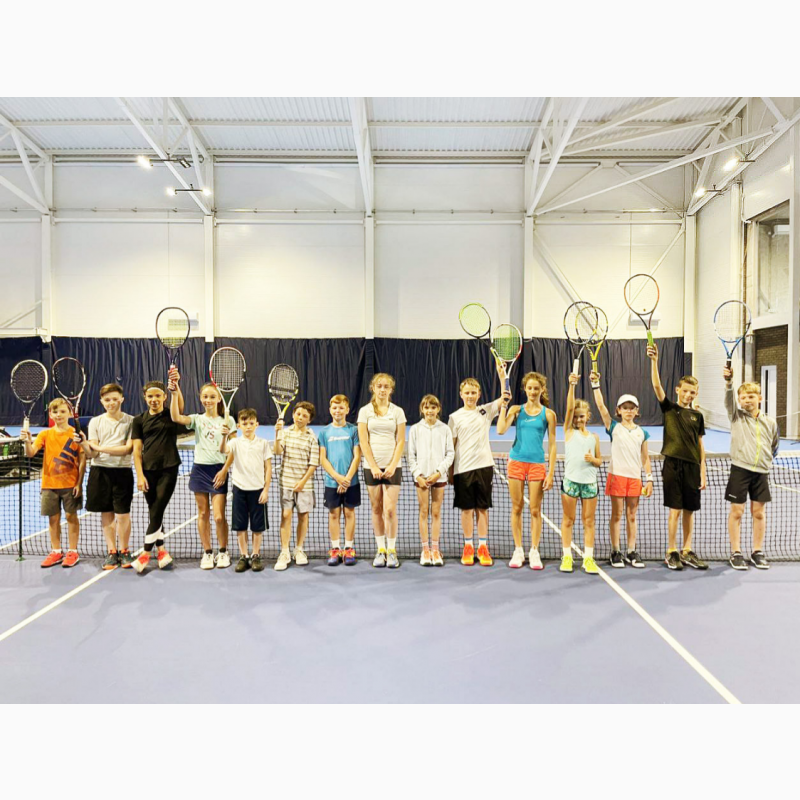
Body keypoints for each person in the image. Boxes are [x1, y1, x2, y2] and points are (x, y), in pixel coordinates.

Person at [647, 343, 707, 570]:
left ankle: (687, 550)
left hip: (692, 467)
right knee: (675, 510)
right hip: (672, 464)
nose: (688, 395)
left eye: (693, 392)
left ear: (696, 394)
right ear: (677, 390)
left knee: (689, 510)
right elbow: (656, 385)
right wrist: (654, 361)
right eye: (685, 391)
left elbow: (700, 445)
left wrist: (703, 472)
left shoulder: (697, 416)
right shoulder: (669, 409)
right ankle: (671, 551)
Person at [169, 368, 232, 570]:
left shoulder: (228, 420)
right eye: (205, 396)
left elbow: (233, 450)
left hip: (219, 469)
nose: (208, 400)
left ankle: (223, 551)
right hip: (200, 469)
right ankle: (207, 552)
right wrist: (175, 392)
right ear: (201, 398)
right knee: (203, 513)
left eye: (212, 396)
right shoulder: (197, 419)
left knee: (219, 516)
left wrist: (224, 470)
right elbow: (176, 417)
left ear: (219, 399)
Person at [591, 371, 653, 568]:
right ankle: (616, 551)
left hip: (635, 479)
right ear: (619, 410)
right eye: (625, 408)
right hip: (617, 477)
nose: (628, 411)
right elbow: (601, 407)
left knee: (632, 516)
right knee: (617, 515)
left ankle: (631, 551)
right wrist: (595, 384)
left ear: (636, 411)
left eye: (631, 408)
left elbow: (645, 457)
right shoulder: (613, 427)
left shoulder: (642, 432)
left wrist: (649, 479)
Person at [449, 362, 508, 567]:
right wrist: (450, 471)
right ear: (461, 394)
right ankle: (468, 546)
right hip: (462, 470)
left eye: (473, 392)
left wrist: (502, 376)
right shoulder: (454, 417)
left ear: (479, 394)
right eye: (467, 392)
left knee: (482, 508)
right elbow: (451, 446)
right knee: (466, 510)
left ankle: (483, 547)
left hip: (484, 467)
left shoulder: (486, 411)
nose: (470, 396)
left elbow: (505, 398)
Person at [496, 371, 556, 569]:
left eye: (536, 388)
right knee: (517, 507)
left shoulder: (549, 414)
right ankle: (518, 550)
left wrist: (551, 472)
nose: (532, 391)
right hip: (516, 462)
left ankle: (534, 550)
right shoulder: (516, 409)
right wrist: (504, 406)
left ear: (542, 389)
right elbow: (500, 430)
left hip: (537, 464)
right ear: (525, 389)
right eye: (529, 388)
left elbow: (553, 445)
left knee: (535, 509)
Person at [723, 367, 780, 570]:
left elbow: (774, 445)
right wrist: (729, 383)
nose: (747, 400)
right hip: (740, 470)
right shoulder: (736, 416)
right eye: (743, 397)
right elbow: (728, 400)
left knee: (759, 513)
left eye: (751, 396)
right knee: (737, 511)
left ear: (760, 399)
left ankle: (757, 552)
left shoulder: (770, 422)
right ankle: (736, 552)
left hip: (761, 472)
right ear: (739, 400)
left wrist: (765, 460)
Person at [76, 383, 135, 570]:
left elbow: (127, 449)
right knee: (106, 513)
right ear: (102, 401)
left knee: (123, 514)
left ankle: (124, 551)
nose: (111, 403)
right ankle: (111, 552)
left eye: (115, 399)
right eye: (107, 400)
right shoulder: (95, 422)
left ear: (122, 399)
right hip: (100, 471)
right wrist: (84, 444)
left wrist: (100, 447)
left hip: (122, 472)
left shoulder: (132, 421)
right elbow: (92, 454)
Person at [130, 380, 186, 573]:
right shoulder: (138, 421)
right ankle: (161, 551)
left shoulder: (171, 415)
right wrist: (140, 475)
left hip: (169, 469)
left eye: (157, 396)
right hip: (148, 471)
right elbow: (137, 450)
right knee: (155, 510)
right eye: (150, 396)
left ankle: (145, 553)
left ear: (164, 397)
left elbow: (180, 407)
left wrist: (176, 387)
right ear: (145, 398)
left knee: (157, 509)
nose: (154, 399)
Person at [22, 398, 85, 568]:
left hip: (70, 484)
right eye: (55, 412)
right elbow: (30, 453)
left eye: (62, 411)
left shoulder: (76, 434)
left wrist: (79, 483)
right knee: (53, 518)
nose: (59, 415)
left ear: (69, 413)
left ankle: (73, 551)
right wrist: (27, 441)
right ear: (50, 414)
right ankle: (56, 551)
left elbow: (82, 460)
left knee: (71, 517)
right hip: (49, 485)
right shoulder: (45, 434)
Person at [357, 374, 406, 569]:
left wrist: (392, 465)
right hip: (371, 467)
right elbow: (363, 441)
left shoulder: (398, 412)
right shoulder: (365, 412)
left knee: (390, 509)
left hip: (393, 467)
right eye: (379, 386)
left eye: (386, 386)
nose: (383, 390)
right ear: (373, 388)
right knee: (376, 508)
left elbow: (400, 440)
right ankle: (381, 549)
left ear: (391, 389)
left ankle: (392, 550)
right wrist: (374, 466)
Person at [220, 408, 273, 573]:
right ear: (239, 426)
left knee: (257, 527)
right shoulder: (235, 442)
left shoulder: (263, 443)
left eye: (251, 423)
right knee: (240, 526)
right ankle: (244, 556)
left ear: (257, 424)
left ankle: (255, 555)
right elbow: (223, 450)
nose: (248, 426)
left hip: (258, 490)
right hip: (239, 490)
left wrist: (266, 490)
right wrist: (224, 436)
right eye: (244, 423)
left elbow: (268, 468)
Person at [559, 373, 602, 574]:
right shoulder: (568, 432)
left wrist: (593, 460)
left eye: (581, 416)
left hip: (590, 484)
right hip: (571, 482)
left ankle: (588, 559)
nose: (577, 419)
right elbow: (569, 408)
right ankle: (567, 557)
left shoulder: (594, 437)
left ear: (588, 416)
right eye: (575, 416)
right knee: (568, 520)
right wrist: (571, 385)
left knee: (589, 521)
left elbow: (599, 461)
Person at [408, 394, 454, 566]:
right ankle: (425, 550)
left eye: (433, 407)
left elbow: (450, 454)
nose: (430, 411)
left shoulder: (445, 429)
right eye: (426, 407)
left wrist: (439, 472)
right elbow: (410, 455)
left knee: (436, 513)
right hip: (421, 479)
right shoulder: (415, 429)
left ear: (438, 409)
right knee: (423, 512)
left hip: (438, 477)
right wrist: (418, 475)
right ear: (422, 409)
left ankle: (435, 549)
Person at [273, 401, 319, 571]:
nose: (300, 417)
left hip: (305, 485)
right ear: (293, 415)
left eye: (304, 416)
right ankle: (284, 551)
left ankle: (299, 549)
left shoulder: (312, 437)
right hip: (286, 482)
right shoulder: (285, 433)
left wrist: (303, 482)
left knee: (303, 516)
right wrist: (277, 433)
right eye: (298, 414)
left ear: (309, 420)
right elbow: (277, 451)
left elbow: (313, 463)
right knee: (286, 515)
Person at [318, 394, 361, 567]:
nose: (338, 411)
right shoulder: (324, 432)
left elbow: (357, 456)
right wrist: (338, 478)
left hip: (351, 482)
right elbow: (323, 459)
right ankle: (335, 549)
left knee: (349, 513)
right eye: (334, 408)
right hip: (332, 482)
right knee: (334, 514)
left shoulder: (353, 430)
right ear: (330, 410)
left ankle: (348, 548)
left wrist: (347, 479)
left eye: (341, 407)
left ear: (347, 410)